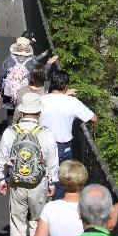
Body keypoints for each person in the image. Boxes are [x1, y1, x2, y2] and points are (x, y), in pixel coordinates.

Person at [0, 91, 59, 236]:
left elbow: (2, 158)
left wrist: (2, 178)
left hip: (16, 182)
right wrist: (52, 183)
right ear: (39, 112)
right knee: (37, 221)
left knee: (17, 221)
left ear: (22, 111)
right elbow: (52, 161)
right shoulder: (45, 133)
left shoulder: (10, 132)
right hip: (38, 183)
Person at [39, 69, 98, 199]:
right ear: (66, 87)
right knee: (61, 180)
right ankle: (56, 209)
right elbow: (94, 118)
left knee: (41, 176)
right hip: (62, 147)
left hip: (41, 145)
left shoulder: (41, 100)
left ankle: (40, 207)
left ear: (51, 84)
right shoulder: (72, 103)